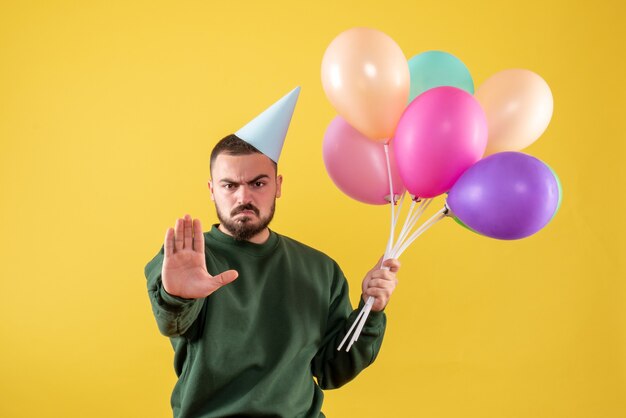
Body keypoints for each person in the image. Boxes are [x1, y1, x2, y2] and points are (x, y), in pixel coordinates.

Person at [144, 88, 400, 418]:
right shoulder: (183, 259)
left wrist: (370, 311)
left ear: (278, 185)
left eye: (258, 183)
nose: (243, 197)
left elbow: (331, 369)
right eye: (229, 185)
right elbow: (172, 321)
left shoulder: (320, 269)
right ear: (212, 190)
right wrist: (175, 296)